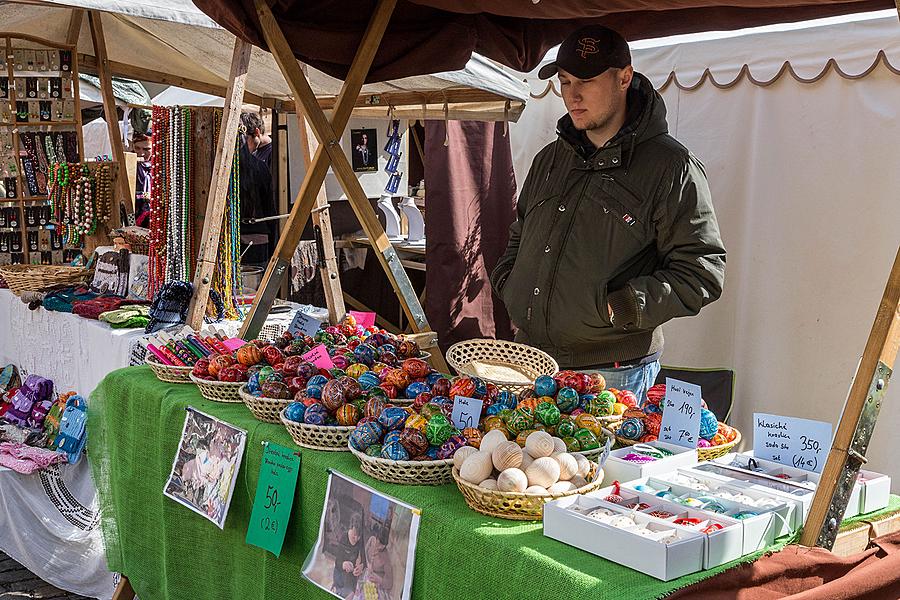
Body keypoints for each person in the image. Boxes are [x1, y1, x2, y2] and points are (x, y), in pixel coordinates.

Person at [491, 26, 726, 401]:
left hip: (612, 376)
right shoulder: (549, 160)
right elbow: (521, 234)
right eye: (565, 82)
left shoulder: (671, 166)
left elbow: (702, 271)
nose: (573, 94)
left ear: (624, 78)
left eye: (586, 80)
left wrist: (623, 305)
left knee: (600, 465)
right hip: (531, 362)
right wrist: (510, 283)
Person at [332, 513, 364, 599]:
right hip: (340, 570)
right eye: (354, 535)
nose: (356, 539)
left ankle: (340, 590)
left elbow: (364, 557)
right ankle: (336, 588)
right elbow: (337, 562)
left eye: (359, 536)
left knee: (352, 593)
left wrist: (361, 566)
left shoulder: (360, 541)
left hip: (351, 572)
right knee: (339, 588)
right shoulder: (343, 537)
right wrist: (343, 564)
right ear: (350, 528)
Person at [131, 132, 152, 227]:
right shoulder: (127, 165)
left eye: (147, 149)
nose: (141, 153)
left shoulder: (161, 167)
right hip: (131, 216)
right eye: (137, 148)